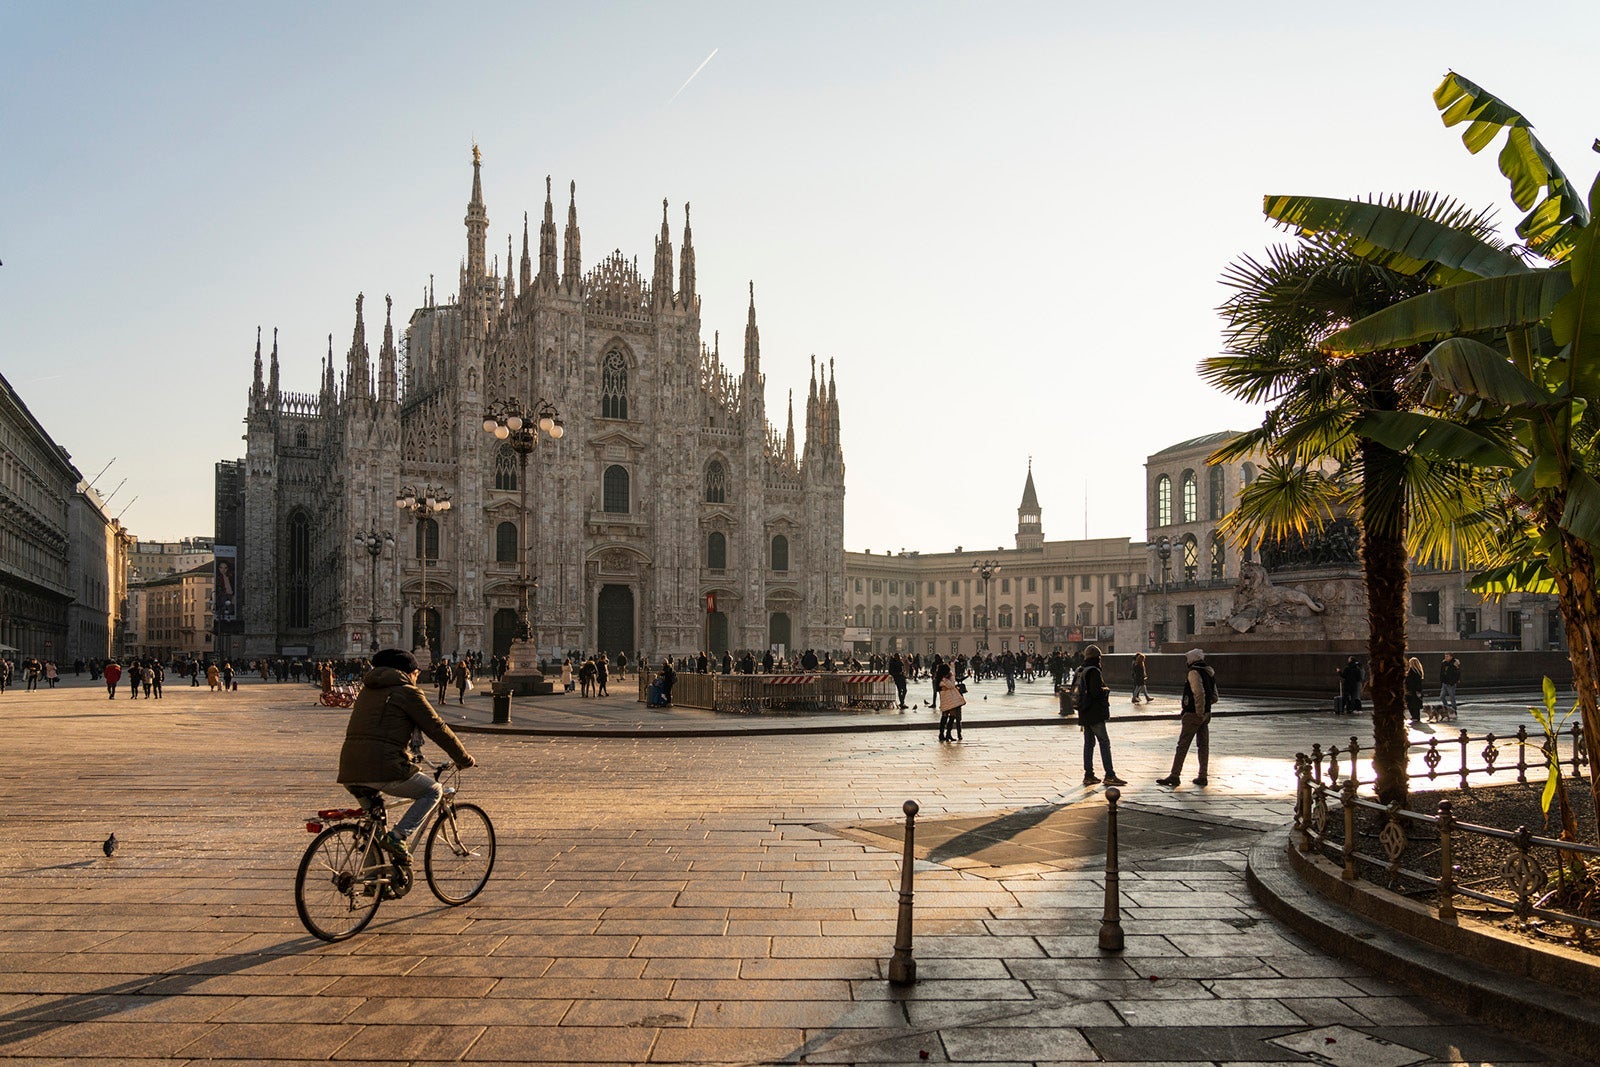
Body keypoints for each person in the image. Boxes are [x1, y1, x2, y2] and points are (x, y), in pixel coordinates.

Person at [337, 648, 476, 859]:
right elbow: (437, 728)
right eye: (416, 673)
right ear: (408, 672)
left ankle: (374, 882)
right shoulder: (407, 692)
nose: (417, 678)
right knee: (433, 791)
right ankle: (398, 836)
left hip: (349, 768)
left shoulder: (367, 690)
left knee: (373, 826)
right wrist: (463, 758)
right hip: (382, 766)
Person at [1157, 648, 1215, 788]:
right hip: (1206, 714)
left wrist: (1199, 712)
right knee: (1203, 746)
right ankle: (1202, 776)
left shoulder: (1193, 672)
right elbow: (1214, 695)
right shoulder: (1209, 672)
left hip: (1193, 714)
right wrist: (1206, 709)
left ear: (1191, 660)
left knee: (1182, 745)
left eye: (1187, 659)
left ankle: (1175, 775)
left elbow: (1198, 693)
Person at [1076, 645, 1125, 786]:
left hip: (1084, 712)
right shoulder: (1094, 671)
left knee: (1089, 744)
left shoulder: (1081, 669)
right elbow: (1096, 693)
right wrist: (1105, 690)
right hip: (1094, 713)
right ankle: (1109, 775)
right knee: (1104, 743)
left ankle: (1089, 775)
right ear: (1098, 657)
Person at [936, 661, 966, 742]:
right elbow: (951, 685)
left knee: (949, 715)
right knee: (947, 715)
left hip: (948, 699)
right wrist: (946, 681)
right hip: (948, 699)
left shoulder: (942, 679)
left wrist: (945, 684)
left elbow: (949, 685)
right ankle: (944, 734)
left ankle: (946, 734)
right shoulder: (944, 679)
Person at [1405, 656, 1425, 725]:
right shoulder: (1419, 672)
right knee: (1416, 704)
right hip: (1416, 691)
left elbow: (1408, 682)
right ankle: (1416, 716)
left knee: (1411, 704)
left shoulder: (1411, 672)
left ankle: (1414, 716)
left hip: (1411, 691)